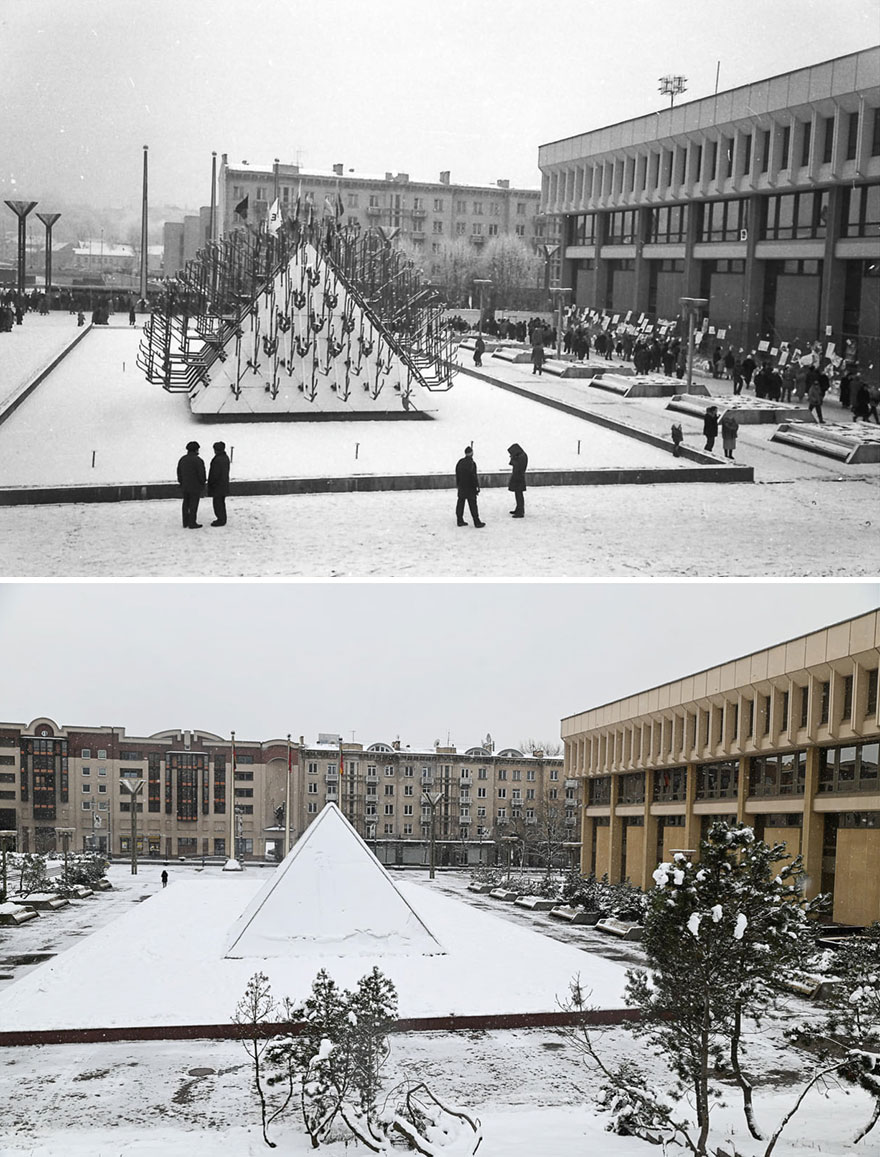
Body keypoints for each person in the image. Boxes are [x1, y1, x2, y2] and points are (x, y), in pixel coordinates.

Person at [176, 441, 206, 528]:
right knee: (193, 504)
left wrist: (181, 482)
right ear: (196, 450)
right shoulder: (198, 460)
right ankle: (192, 522)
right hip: (195, 486)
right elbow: (201, 474)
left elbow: (179, 473)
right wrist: (202, 483)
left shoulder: (182, 459)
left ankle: (185, 522)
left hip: (185, 486)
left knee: (186, 503)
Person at [454, 445, 485, 528]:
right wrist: (477, 487)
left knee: (460, 502)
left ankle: (459, 520)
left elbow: (457, 473)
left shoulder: (460, 462)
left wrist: (458, 484)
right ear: (472, 453)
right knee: (473, 504)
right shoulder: (472, 463)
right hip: (470, 487)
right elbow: (473, 476)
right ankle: (476, 521)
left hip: (462, 486)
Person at [207, 440, 231, 527]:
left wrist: (211, 483)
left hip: (217, 485)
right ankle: (222, 518)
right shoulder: (225, 457)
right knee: (221, 502)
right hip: (223, 484)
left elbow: (214, 474)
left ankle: (220, 519)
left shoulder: (217, 460)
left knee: (217, 503)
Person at [507, 442, 528, 518]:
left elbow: (518, 466)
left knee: (519, 495)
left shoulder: (522, 457)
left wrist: (513, 459)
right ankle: (518, 509)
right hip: (518, 477)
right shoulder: (521, 455)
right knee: (518, 494)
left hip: (519, 478)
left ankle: (520, 511)